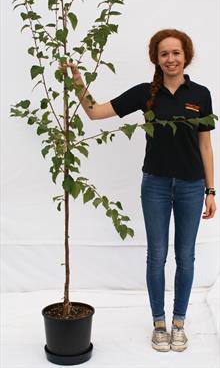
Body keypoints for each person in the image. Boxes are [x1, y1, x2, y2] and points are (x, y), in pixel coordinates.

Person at [60, 28, 217, 352]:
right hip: (156, 185)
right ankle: (159, 324)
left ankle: (179, 324)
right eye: (164, 54)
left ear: (186, 55)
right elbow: (94, 112)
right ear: (156, 59)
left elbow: (205, 145)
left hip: (191, 186)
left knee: (185, 257)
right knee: (156, 255)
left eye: (176, 53)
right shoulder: (146, 93)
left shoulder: (200, 95)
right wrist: (76, 79)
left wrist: (211, 190)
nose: (170, 59)